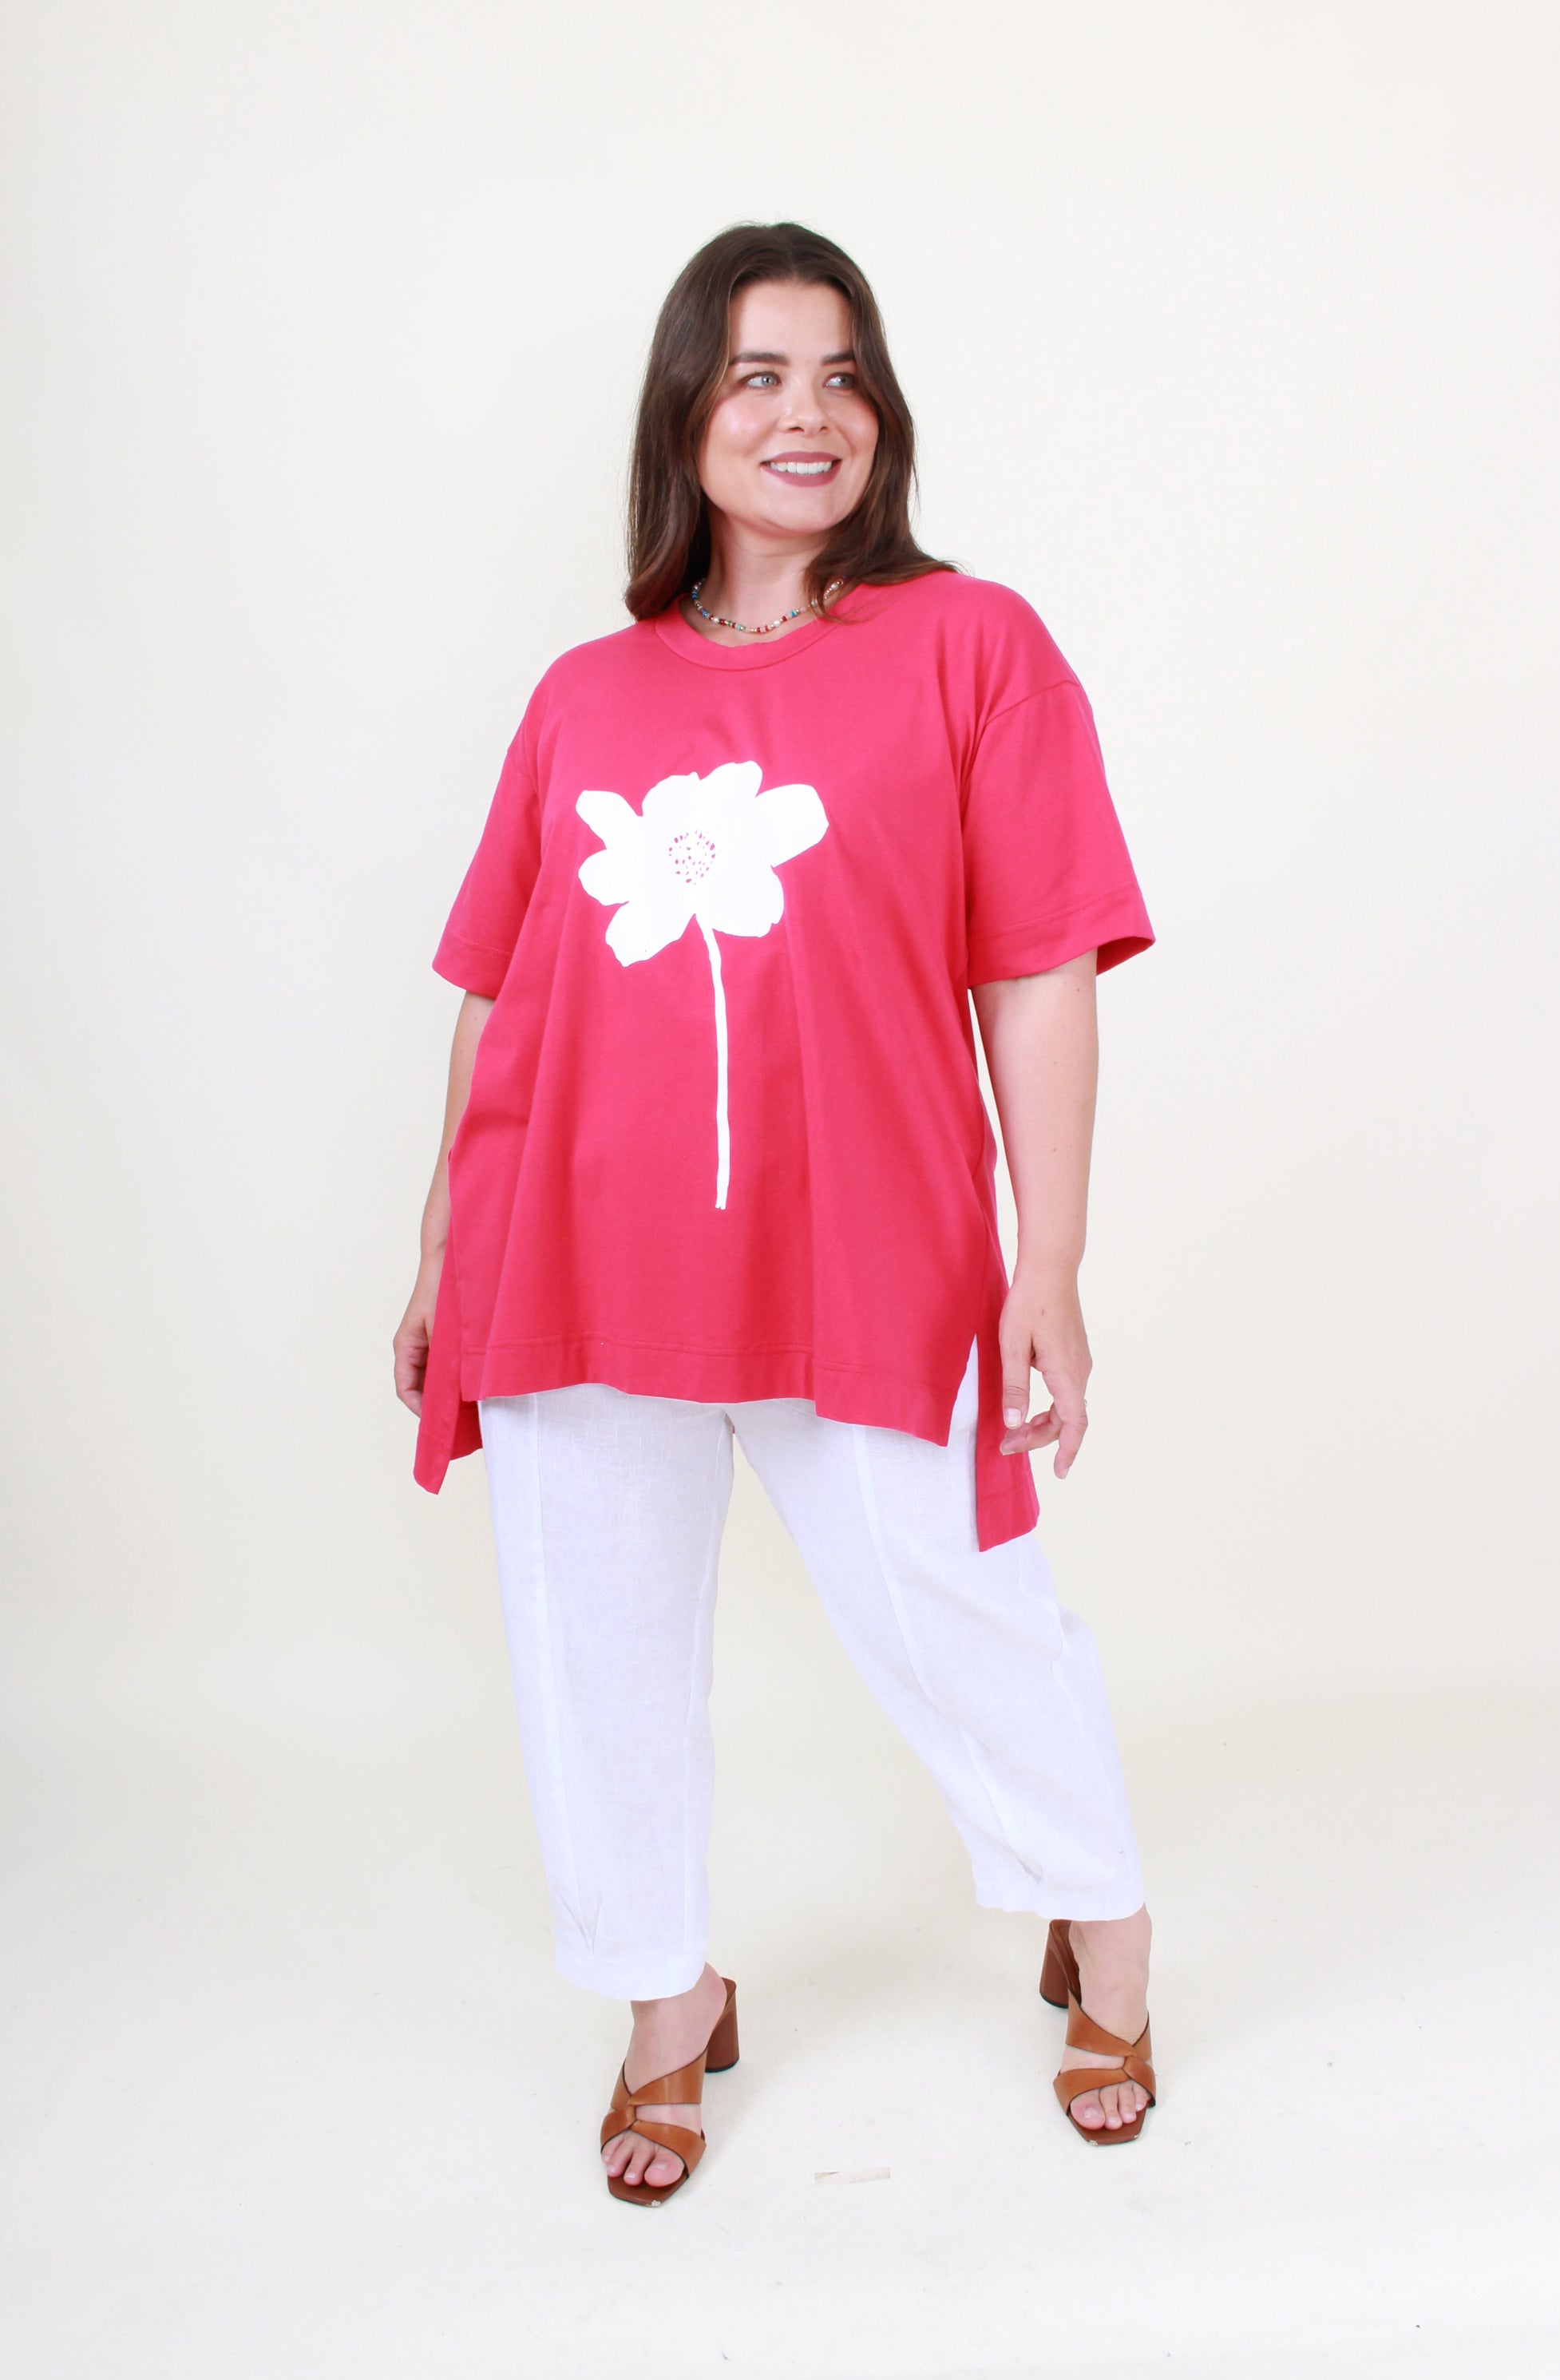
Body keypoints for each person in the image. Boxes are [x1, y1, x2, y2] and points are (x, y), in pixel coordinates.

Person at [394, 222, 1158, 2207]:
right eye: (754, 374)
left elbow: (1040, 963)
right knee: (594, 1642)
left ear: (883, 415)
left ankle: (1101, 1913)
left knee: (963, 1600)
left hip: (870, 1241)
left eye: (839, 374)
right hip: (569, 1252)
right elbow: (503, 982)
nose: (803, 414)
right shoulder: (582, 692)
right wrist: (434, 1251)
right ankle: (663, 1996)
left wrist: (1047, 1261)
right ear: (683, 414)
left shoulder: (974, 644)